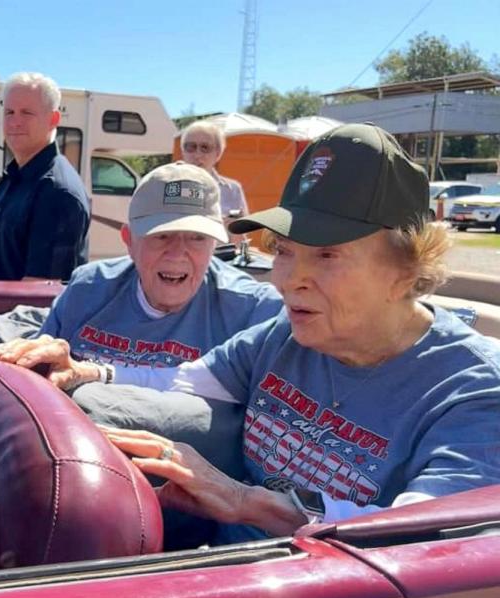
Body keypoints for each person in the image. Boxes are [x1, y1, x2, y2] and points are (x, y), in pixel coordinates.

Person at [86, 123, 500, 542]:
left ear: (406, 271)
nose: (289, 280)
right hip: (225, 573)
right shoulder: (286, 335)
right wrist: (87, 374)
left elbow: (429, 537)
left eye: (326, 254)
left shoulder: (473, 393)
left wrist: (248, 503)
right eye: (284, 250)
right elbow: (181, 381)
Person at [0, 162, 281, 388]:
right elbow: (40, 364)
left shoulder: (252, 311)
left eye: (196, 238)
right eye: (162, 236)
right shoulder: (88, 288)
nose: (178, 253)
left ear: (215, 244)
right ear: (128, 240)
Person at [0, 72, 90, 281]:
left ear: (53, 119)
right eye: (9, 112)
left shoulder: (57, 193)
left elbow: (38, 297)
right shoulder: (12, 180)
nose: (15, 122)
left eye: (27, 113)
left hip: (15, 315)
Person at [179, 120, 249, 222]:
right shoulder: (167, 186)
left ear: (218, 153)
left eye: (205, 148)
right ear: (183, 151)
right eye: (191, 147)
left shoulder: (232, 190)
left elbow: (241, 236)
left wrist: (232, 227)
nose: (197, 155)